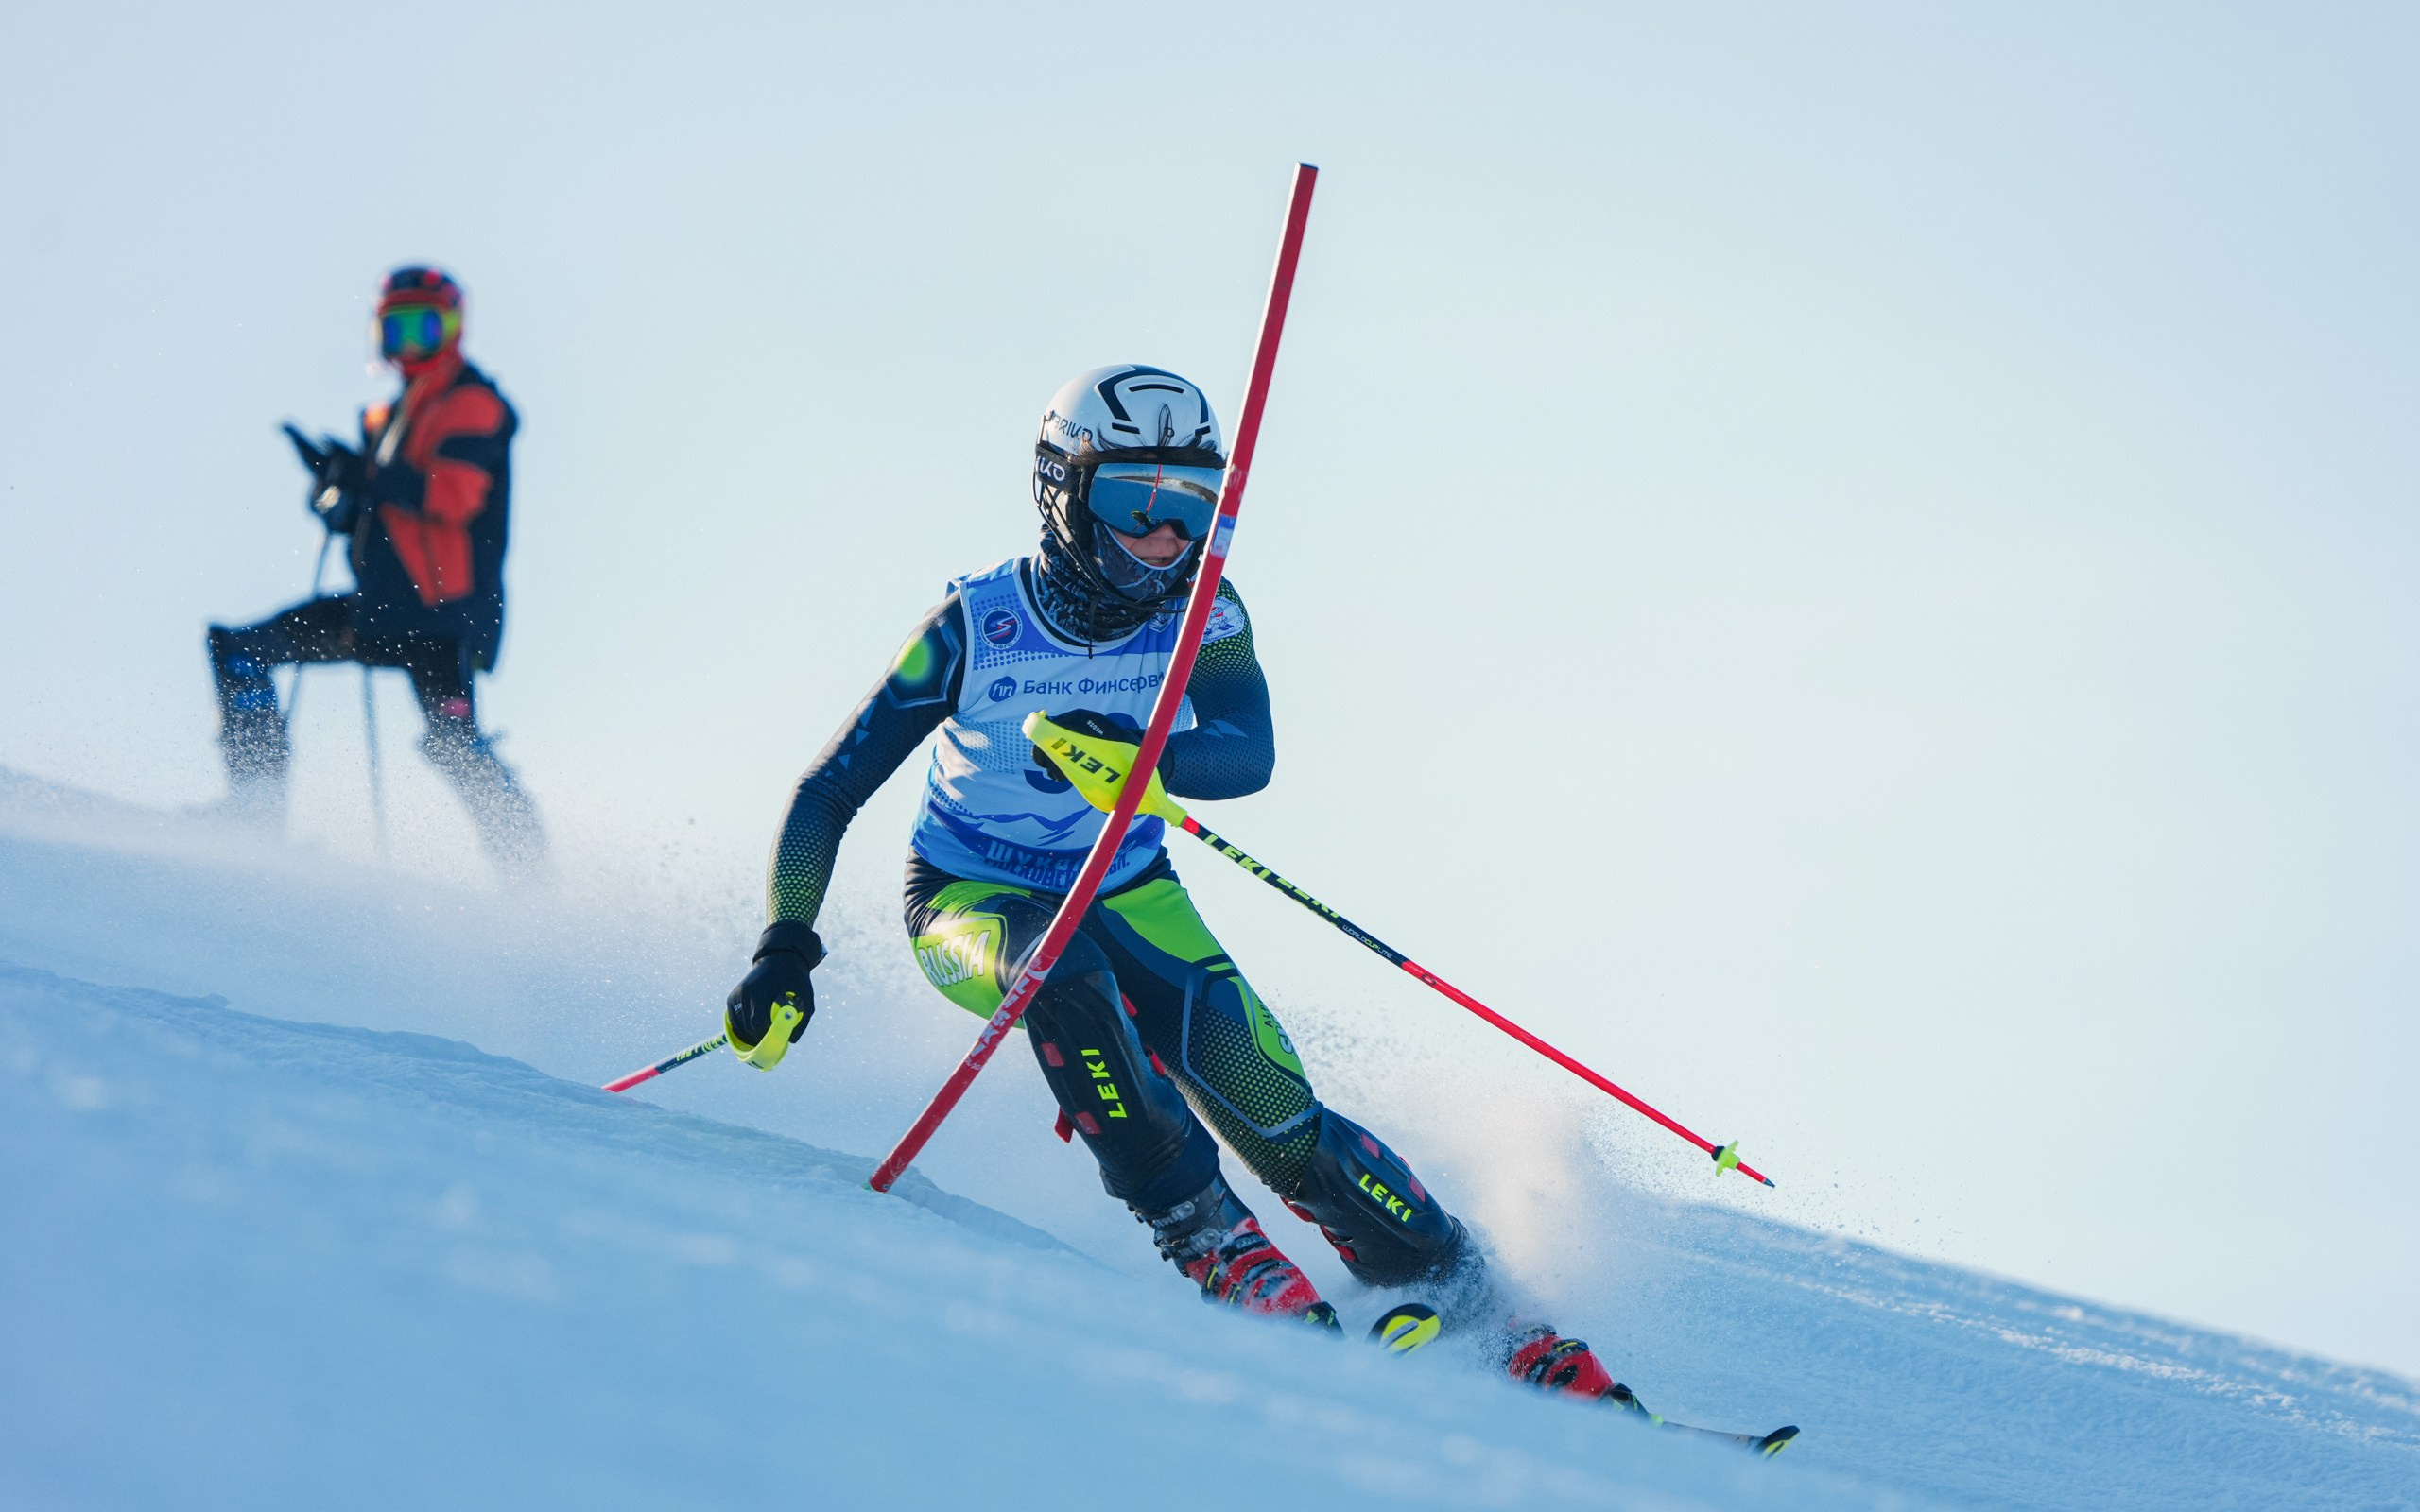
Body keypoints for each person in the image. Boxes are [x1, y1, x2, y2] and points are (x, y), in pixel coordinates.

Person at [723, 364, 1625, 1399]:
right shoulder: (976, 624)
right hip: (971, 900)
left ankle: (1475, 1305)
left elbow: (1248, 751)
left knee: (1269, 1101)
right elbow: (830, 786)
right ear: (1062, 492)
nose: (1164, 532)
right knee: (1060, 974)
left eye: (1192, 500)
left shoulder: (1207, 608)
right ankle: (1212, 1242)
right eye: (1132, 498)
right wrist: (785, 944)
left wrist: (1146, 763)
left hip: (1129, 888)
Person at [203, 266, 544, 874]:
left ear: (454, 329)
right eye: (396, 329)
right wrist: (339, 489)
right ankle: (253, 819)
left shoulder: (471, 402)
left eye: (423, 327)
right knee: (240, 653)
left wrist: (365, 475)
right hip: (384, 607)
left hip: (439, 615)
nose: (409, 344)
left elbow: (453, 496)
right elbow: (380, 509)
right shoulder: (397, 417)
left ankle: (532, 880)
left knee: (455, 743)